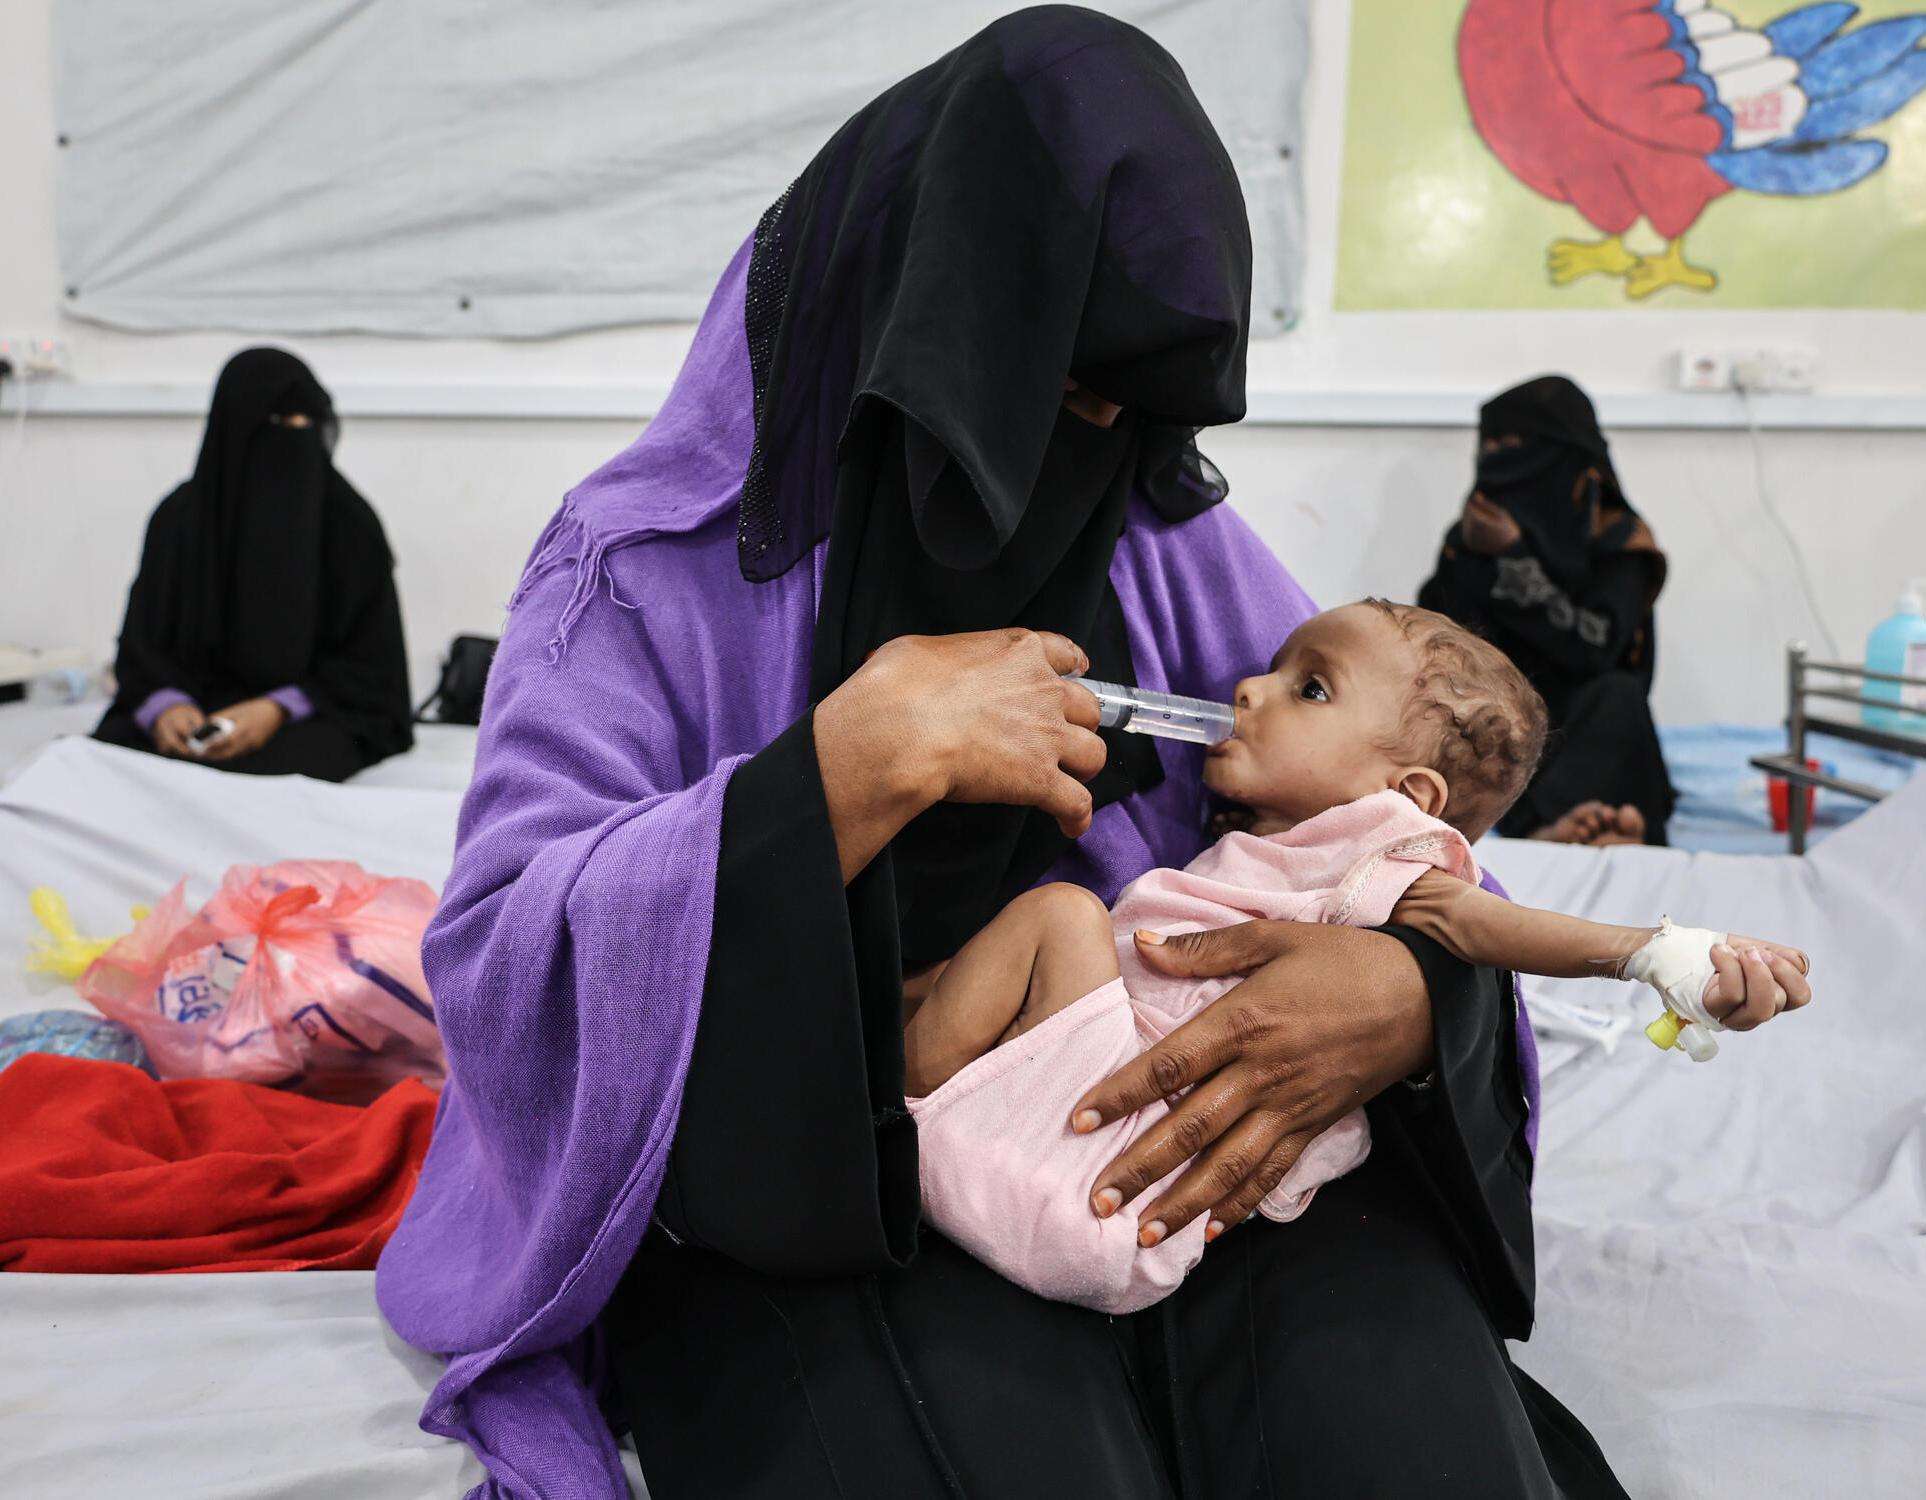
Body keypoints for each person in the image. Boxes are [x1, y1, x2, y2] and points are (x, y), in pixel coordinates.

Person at [379, 12, 1778, 1497]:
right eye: (1056, 395)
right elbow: (504, 963)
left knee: (1409, 1456)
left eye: (1128, 414)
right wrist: (836, 777)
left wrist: (1407, 991)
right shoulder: (646, 572)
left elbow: (1385, 833)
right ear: (928, 337)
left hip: (1204, 1160)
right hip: (813, 1184)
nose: (1087, 460)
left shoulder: (1171, 544)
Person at [905, 601, 1811, 1314]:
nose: (1251, 689)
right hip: (1104, 1177)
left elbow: (1485, 926)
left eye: (1312, 689)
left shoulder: (1382, 847)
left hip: (1127, 1158)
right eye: (1275, 669)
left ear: (1407, 795)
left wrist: (1654, 953)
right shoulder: (1268, 848)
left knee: (1062, 916)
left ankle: (898, 1084)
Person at [93, 348, 412, 781]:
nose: (294, 439)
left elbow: (371, 664)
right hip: (193, 703)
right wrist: (166, 707)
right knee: (108, 762)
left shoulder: (347, 523)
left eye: (306, 424)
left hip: (308, 712)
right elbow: (142, 644)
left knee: (284, 767)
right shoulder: (181, 519)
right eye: (277, 424)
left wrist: (276, 708)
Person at [1419, 375, 1674, 845]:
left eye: (1513, 443)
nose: (1497, 457)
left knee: (1617, 697)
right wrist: (1471, 559)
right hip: (1497, 730)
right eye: (1489, 444)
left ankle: (1580, 826)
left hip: (1585, 727)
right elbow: (1438, 641)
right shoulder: (1475, 533)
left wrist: (1515, 561)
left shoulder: (1619, 541)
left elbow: (1592, 649)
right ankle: (1560, 828)